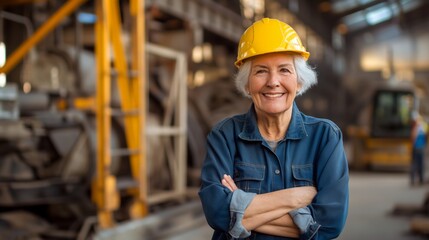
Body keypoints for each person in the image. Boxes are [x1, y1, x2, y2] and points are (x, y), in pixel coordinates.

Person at [198, 18, 349, 239]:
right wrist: (295, 198)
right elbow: (218, 214)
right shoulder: (224, 136)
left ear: (299, 82)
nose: (273, 81)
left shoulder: (325, 137)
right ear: (247, 84)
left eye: (284, 70)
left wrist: (238, 212)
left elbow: (329, 225)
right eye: (261, 71)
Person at [410, 113, 427, 186]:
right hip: (420, 147)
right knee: (420, 164)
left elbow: (413, 137)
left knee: (415, 164)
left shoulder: (417, 128)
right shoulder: (422, 127)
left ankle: (415, 179)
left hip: (417, 147)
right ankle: (420, 179)